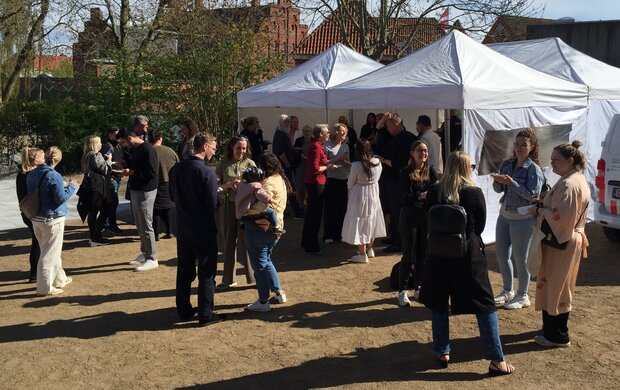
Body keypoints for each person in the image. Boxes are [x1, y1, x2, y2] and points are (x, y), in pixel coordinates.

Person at [420, 151, 515, 376]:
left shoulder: (434, 191)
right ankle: (495, 359)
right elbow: (479, 226)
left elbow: (427, 219)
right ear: (466, 168)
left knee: (439, 302)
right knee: (485, 305)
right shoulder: (473, 192)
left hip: (438, 254)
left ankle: (442, 350)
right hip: (468, 255)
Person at [529, 141, 590, 348]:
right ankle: (554, 330)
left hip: (562, 240)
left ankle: (557, 335)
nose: (552, 164)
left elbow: (560, 217)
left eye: (556, 160)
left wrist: (539, 211)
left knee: (556, 285)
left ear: (570, 161)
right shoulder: (575, 179)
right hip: (570, 238)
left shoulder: (568, 184)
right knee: (562, 285)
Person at [169, 132, 225, 326]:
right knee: (207, 272)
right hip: (203, 228)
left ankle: (183, 310)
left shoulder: (176, 169)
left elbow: (173, 196)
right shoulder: (207, 172)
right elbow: (212, 203)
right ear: (205, 147)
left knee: (184, 270)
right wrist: (220, 196)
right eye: (214, 148)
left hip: (183, 227)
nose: (214, 151)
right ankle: (206, 314)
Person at [492, 129, 544, 309]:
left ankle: (523, 295)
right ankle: (508, 290)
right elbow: (498, 190)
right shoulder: (508, 164)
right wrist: (497, 181)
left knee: (521, 258)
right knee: (501, 254)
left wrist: (511, 183)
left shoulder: (534, 169)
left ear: (532, 147)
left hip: (522, 218)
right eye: (517, 144)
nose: (520, 147)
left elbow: (533, 195)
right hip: (504, 214)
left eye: (524, 145)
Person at [27, 146, 78, 296]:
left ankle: (59, 279)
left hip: (37, 218)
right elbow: (60, 198)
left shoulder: (31, 174)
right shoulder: (54, 175)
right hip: (52, 219)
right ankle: (44, 288)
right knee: (49, 254)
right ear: (58, 159)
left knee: (49, 251)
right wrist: (72, 186)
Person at [243, 153, 289, 312]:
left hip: (261, 228)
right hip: (275, 228)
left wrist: (243, 208)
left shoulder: (268, 183)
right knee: (266, 259)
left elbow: (262, 206)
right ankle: (278, 291)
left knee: (260, 264)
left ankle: (263, 302)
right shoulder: (280, 178)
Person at [397, 140, 438, 307]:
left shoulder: (431, 171)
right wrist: (419, 196)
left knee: (423, 253)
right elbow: (401, 198)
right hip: (409, 216)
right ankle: (402, 290)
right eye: (420, 151)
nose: (424, 154)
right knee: (409, 253)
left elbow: (436, 192)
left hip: (426, 216)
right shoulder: (406, 172)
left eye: (426, 151)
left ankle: (419, 286)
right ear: (412, 153)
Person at [216, 136, 256, 290]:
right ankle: (228, 279)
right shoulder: (223, 163)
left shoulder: (250, 164)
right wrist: (227, 185)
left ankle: (253, 277)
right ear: (232, 147)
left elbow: (257, 184)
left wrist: (244, 185)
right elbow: (216, 183)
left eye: (244, 148)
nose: (241, 151)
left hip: (246, 208)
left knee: (248, 242)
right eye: (239, 148)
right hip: (229, 206)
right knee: (229, 242)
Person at [119, 127, 159, 271]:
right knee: (139, 223)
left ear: (129, 138)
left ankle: (152, 258)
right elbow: (135, 168)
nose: (124, 146)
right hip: (136, 190)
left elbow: (152, 173)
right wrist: (125, 168)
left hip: (146, 191)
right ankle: (145, 252)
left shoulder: (148, 149)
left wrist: (133, 172)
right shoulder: (136, 149)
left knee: (146, 224)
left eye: (123, 142)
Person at [375, 112, 417, 253]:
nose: (387, 129)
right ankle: (394, 237)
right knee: (392, 211)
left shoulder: (407, 139)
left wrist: (383, 160)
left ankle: (399, 242)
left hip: (398, 181)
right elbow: (378, 131)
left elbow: (400, 164)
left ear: (396, 124)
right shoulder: (394, 136)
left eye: (389, 126)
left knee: (398, 211)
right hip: (390, 180)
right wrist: (383, 119)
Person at [341, 139, 386, 263]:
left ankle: (362, 253)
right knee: (371, 219)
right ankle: (370, 249)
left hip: (360, 194)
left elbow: (350, 182)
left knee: (360, 221)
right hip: (373, 193)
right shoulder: (377, 162)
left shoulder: (357, 165)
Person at [301, 124, 336, 255]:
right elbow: (315, 168)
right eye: (327, 132)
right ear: (321, 134)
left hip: (315, 183)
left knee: (312, 214)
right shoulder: (316, 146)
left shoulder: (318, 145)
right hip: (316, 183)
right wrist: (328, 168)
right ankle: (312, 245)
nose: (329, 134)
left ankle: (307, 242)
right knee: (314, 215)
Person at [16, 147, 45, 282]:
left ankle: (35, 272)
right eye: (42, 156)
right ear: (35, 160)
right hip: (35, 212)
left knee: (37, 241)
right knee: (38, 242)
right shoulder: (34, 175)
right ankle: (34, 273)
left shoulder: (21, 174)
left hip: (26, 211)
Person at [81, 135, 113, 246]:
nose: (101, 145)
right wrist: (109, 160)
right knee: (105, 210)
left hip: (89, 186)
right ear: (94, 144)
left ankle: (93, 236)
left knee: (92, 211)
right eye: (99, 142)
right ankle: (96, 236)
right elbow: (105, 169)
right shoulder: (96, 155)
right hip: (98, 187)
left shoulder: (86, 156)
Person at [149, 128, 180, 240]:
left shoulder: (149, 152)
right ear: (161, 138)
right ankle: (169, 231)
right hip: (169, 183)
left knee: (155, 210)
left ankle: (156, 234)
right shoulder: (170, 151)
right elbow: (178, 166)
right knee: (168, 208)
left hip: (153, 184)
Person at [235, 166, 286, 234]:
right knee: (271, 212)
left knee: (243, 214)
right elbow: (261, 194)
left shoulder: (242, 184)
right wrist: (269, 199)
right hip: (249, 208)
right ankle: (276, 227)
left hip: (240, 207)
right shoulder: (255, 185)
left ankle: (242, 223)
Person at [322, 123, 351, 244]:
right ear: (335, 132)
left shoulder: (346, 146)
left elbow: (347, 163)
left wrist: (347, 164)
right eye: (341, 130)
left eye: (345, 131)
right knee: (330, 208)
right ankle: (328, 235)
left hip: (343, 179)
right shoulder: (327, 145)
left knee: (341, 208)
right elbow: (324, 163)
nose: (343, 133)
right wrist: (338, 158)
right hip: (331, 180)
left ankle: (338, 234)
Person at [273, 114, 304, 217]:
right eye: (285, 121)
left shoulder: (282, 133)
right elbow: (280, 152)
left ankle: (282, 210)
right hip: (284, 167)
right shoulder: (281, 134)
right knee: (290, 188)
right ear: (281, 122)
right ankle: (297, 212)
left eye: (288, 121)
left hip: (284, 166)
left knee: (285, 188)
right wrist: (287, 164)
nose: (287, 123)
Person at [103, 127, 124, 234]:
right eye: (116, 134)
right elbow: (106, 161)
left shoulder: (118, 144)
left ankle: (106, 222)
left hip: (118, 175)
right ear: (110, 134)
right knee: (113, 202)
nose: (118, 136)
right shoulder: (107, 145)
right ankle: (112, 225)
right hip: (112, 176)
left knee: (111, 201)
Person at [293, 125, 312, 214]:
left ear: (311, 132)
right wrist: (299, 154)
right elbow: (294, 150)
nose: (306, 133)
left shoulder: (314, 141)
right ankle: (300, 206)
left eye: (308, 131)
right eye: (305, 131)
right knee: (300, 187)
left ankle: (309, 206)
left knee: (309, 187)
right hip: (301, 166)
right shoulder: (299, 140)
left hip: (310, 167)